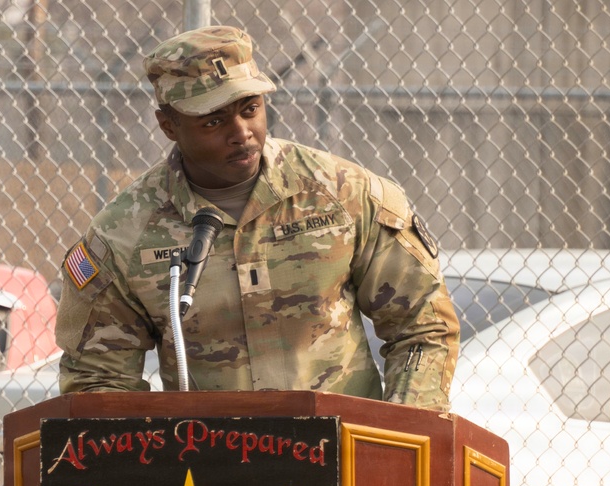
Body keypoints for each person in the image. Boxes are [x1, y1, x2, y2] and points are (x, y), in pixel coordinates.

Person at [55, 25, 460, 411]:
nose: (242, 132)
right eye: (213, 121)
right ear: (169, 126)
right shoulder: (124, 234)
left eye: (251, 109)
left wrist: (401, 437)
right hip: (203, 469)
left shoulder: (344, 195)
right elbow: (98, 379)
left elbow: (423, 326)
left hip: (345, 456)